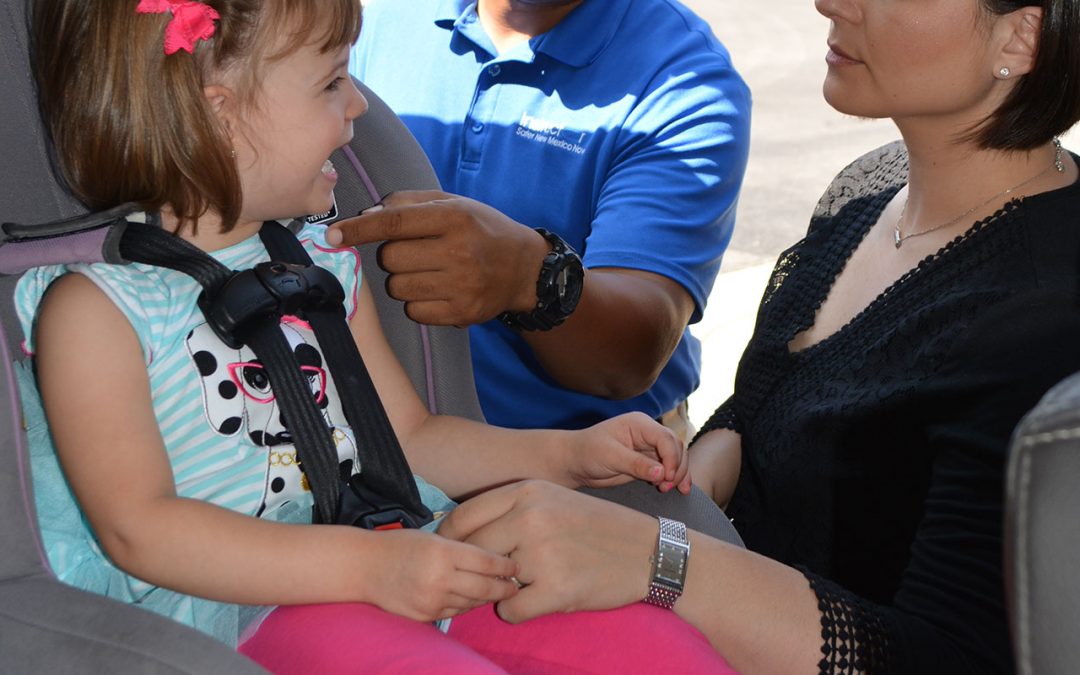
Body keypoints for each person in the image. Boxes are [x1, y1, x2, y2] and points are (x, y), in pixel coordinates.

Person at [19, 1, 736, 672]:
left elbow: (413, 437)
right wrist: (367, 568)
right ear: (221, 115)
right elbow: (139, 529)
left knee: (655, 646)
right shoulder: (95, 313)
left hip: (403, 552)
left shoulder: (320, 266)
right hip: (252, 607)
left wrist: (566, 455)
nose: (359, 103)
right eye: (332, 82)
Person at [439, 0, 1080, 672]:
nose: (829, 3)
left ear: (1023, 34)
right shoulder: (867, 192)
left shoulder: (1047, 313)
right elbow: (768, 410)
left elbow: (949, 655)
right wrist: (699, 465)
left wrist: (657, 558)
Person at [331, 0, 751, 435]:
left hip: (580, 463)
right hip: (357, 436)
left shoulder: (683, 80)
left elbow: (635, 355)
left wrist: (530, 279)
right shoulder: (377, 16)